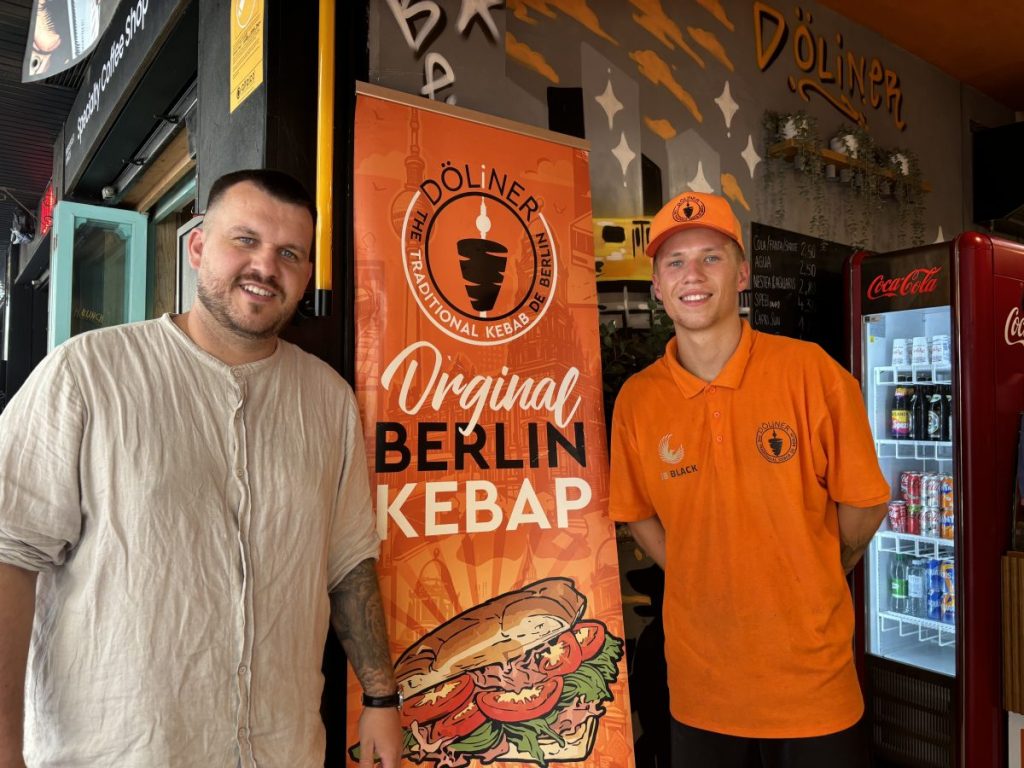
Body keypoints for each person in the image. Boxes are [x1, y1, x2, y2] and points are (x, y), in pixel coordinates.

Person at [0, 169, 402, 768]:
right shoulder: (86, 375)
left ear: (306, 276)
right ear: (196, 246)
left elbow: (347, 563)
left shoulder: (328, 400)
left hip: (282, 749)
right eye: (245, 240)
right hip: (119, 752)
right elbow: (11, 556)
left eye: (289, 253)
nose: (266, 267)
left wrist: (381, 695)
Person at [608, 191, 889, 768]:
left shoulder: (811, 372)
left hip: (814, 689)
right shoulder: (638, 401)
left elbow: (865, 504)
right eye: (675, 262)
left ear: (742, 274)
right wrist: (696, 569)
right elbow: (637, 513)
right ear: (657, 286)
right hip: (701, 689)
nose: (694, 275)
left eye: (711, 257)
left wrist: (812, 569)